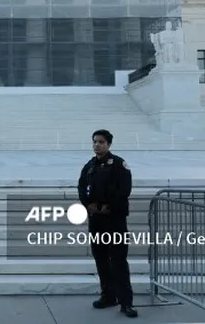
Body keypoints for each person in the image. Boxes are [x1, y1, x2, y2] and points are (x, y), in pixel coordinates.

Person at [77, 129, 138, 318]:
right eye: (95, 141)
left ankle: (126, 302)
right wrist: (89, 206)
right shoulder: (89, 166)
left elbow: (124, 190)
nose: (97, 145)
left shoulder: (119, 164)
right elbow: (81, 187)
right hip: (96, 220)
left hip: (114, 220)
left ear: (109, 144)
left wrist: (107, 207)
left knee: (118, 260)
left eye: (101, 142)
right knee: (101, 259)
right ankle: (108, 295)